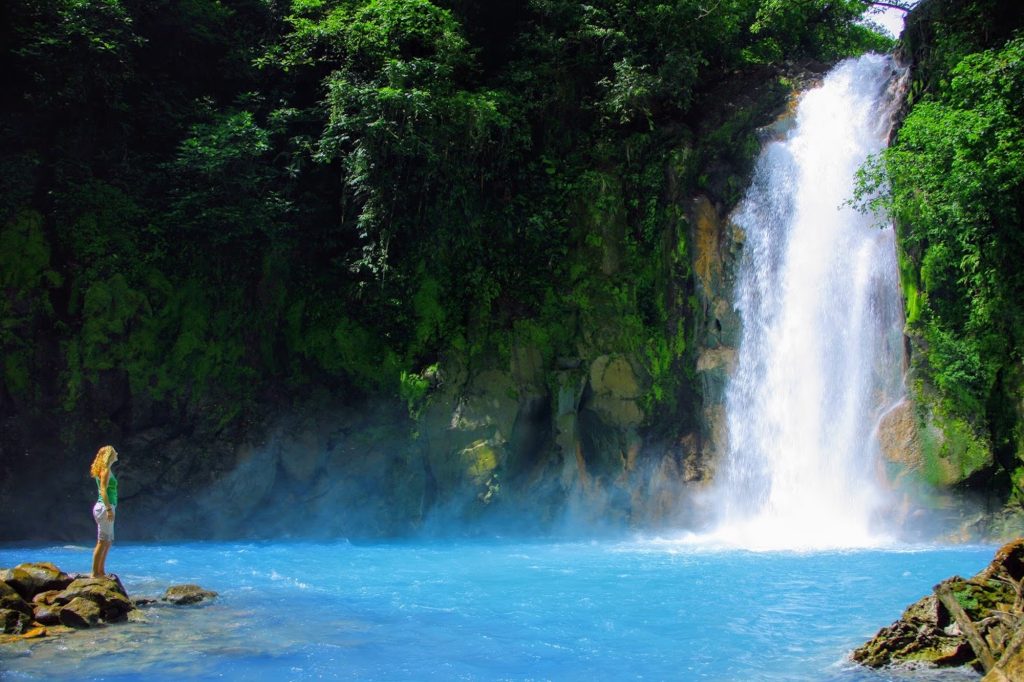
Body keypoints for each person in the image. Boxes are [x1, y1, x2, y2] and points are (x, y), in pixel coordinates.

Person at [89, 445, 119, 577]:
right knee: (102, 542)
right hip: (104, 507)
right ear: (109, 455)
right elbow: (103, 490)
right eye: (114, 452)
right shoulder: (105, 470)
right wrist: (108, 509)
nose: (117, 453)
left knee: (108, 541)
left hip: (107, 507)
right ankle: (95, 573)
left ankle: (101, 571)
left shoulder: (107, 470)